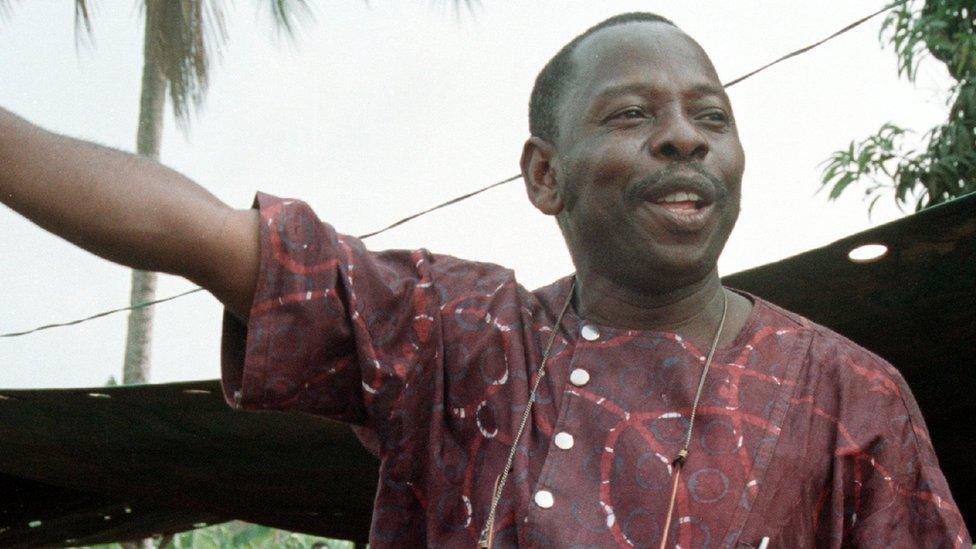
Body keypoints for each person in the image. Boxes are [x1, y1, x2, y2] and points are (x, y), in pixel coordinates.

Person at [0, 11, 969, 549]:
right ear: (543, 175)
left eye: (710, 118)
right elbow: (201, 236)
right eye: (631, 115)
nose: (683, 136)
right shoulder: (459, 342)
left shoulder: (846, 392)